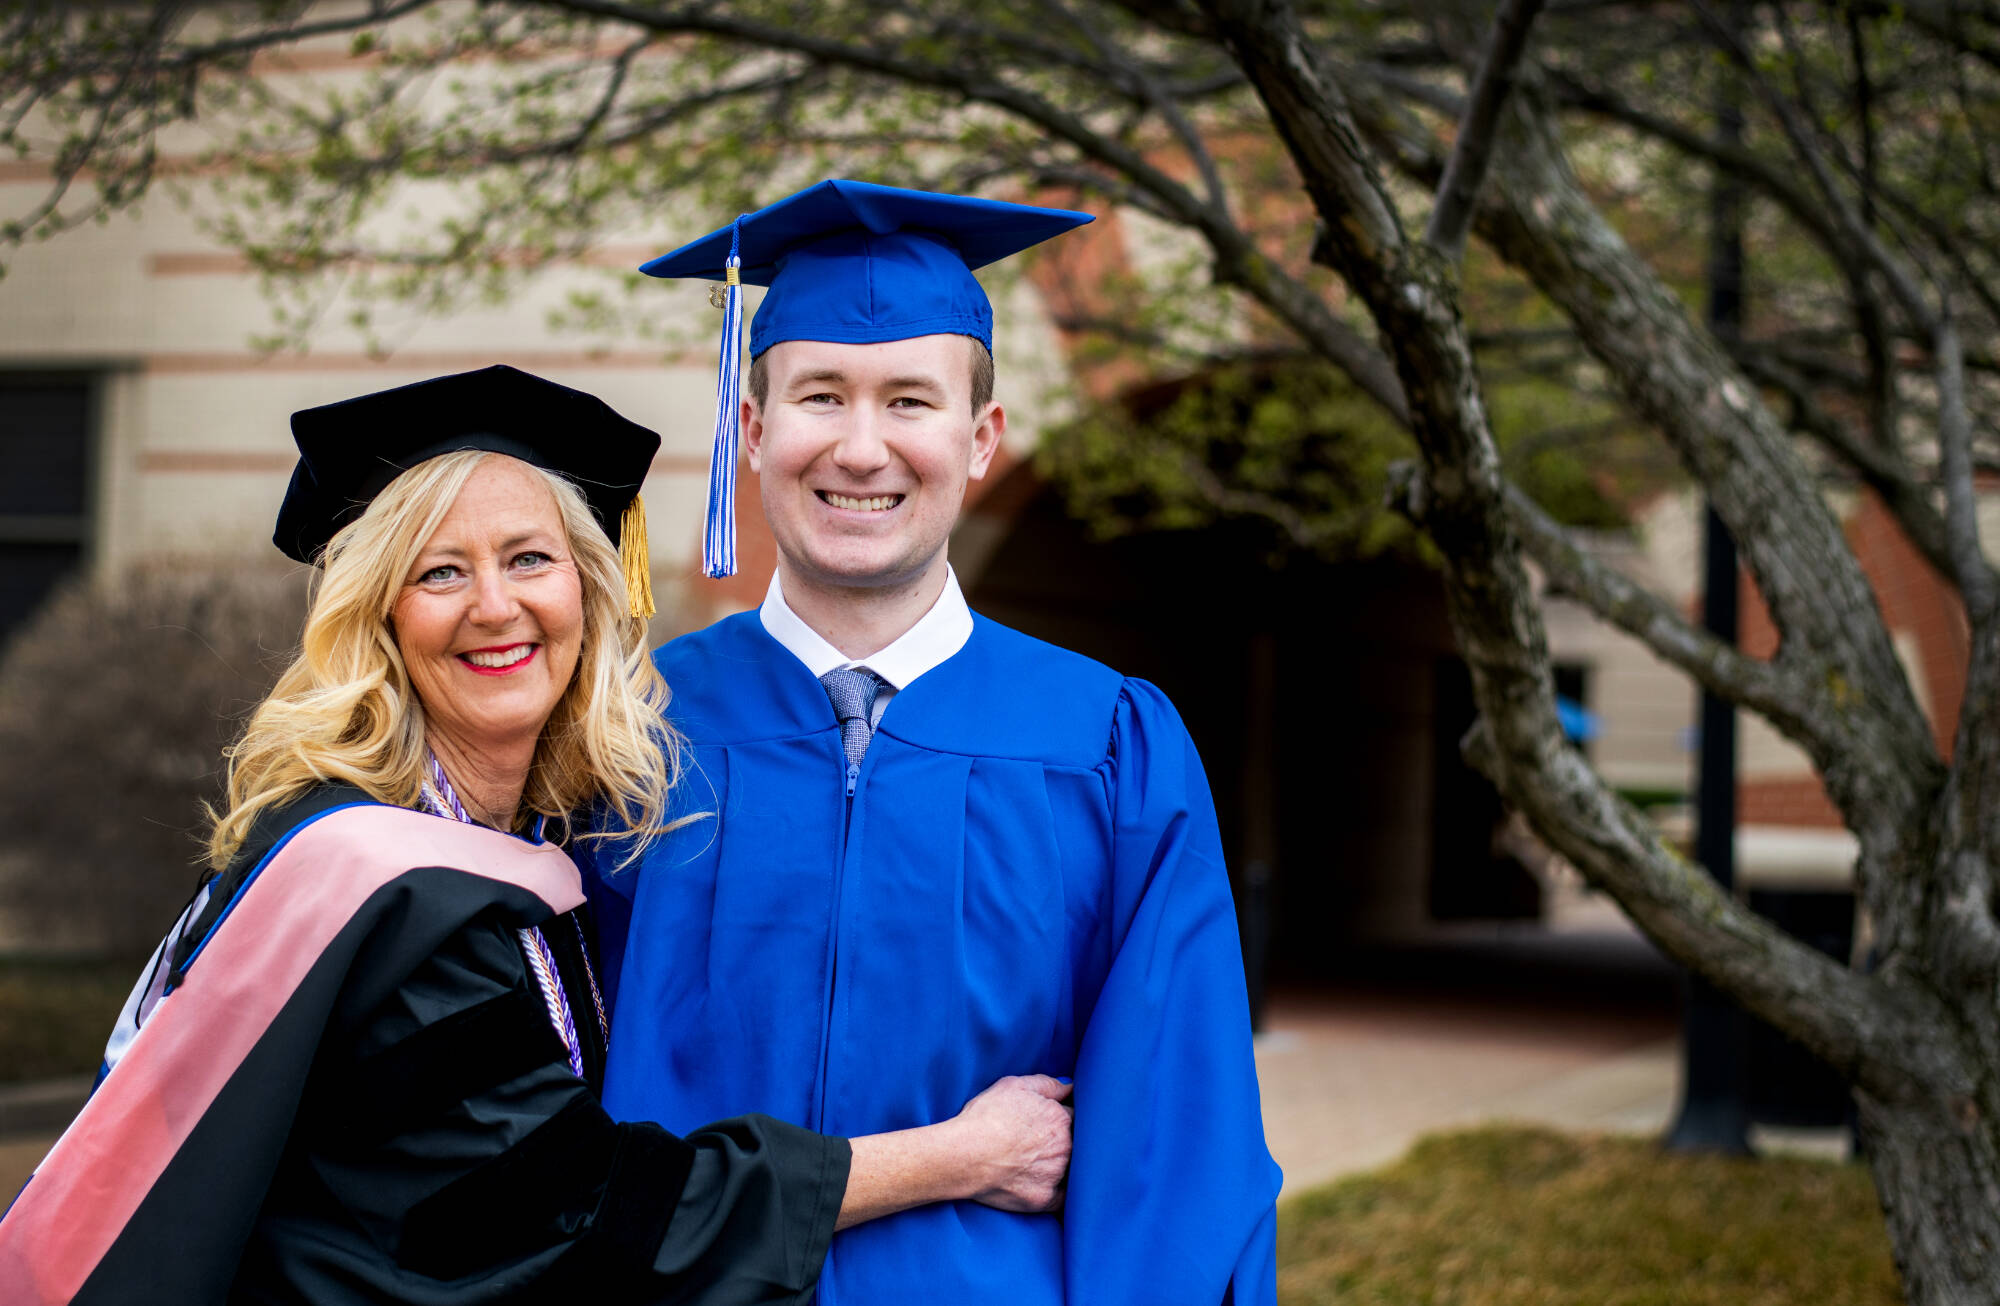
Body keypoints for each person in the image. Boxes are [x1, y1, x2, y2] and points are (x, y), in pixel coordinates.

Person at [0, 365, 1072, 1306]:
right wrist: (956, 1155)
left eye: (529, 559)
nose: (495, 606)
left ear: (588, 593)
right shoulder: (375, 882)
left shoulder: (507, 848)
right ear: (377, 614)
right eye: (438, 571)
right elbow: (580, 1214)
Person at [589, 181, 1282, 1305]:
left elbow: (1177, 1156)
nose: (861, 448)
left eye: (910, 400)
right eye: (820, 395)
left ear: (981, 441)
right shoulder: (626, 741)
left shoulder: (1105, 747)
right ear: (753, 430)